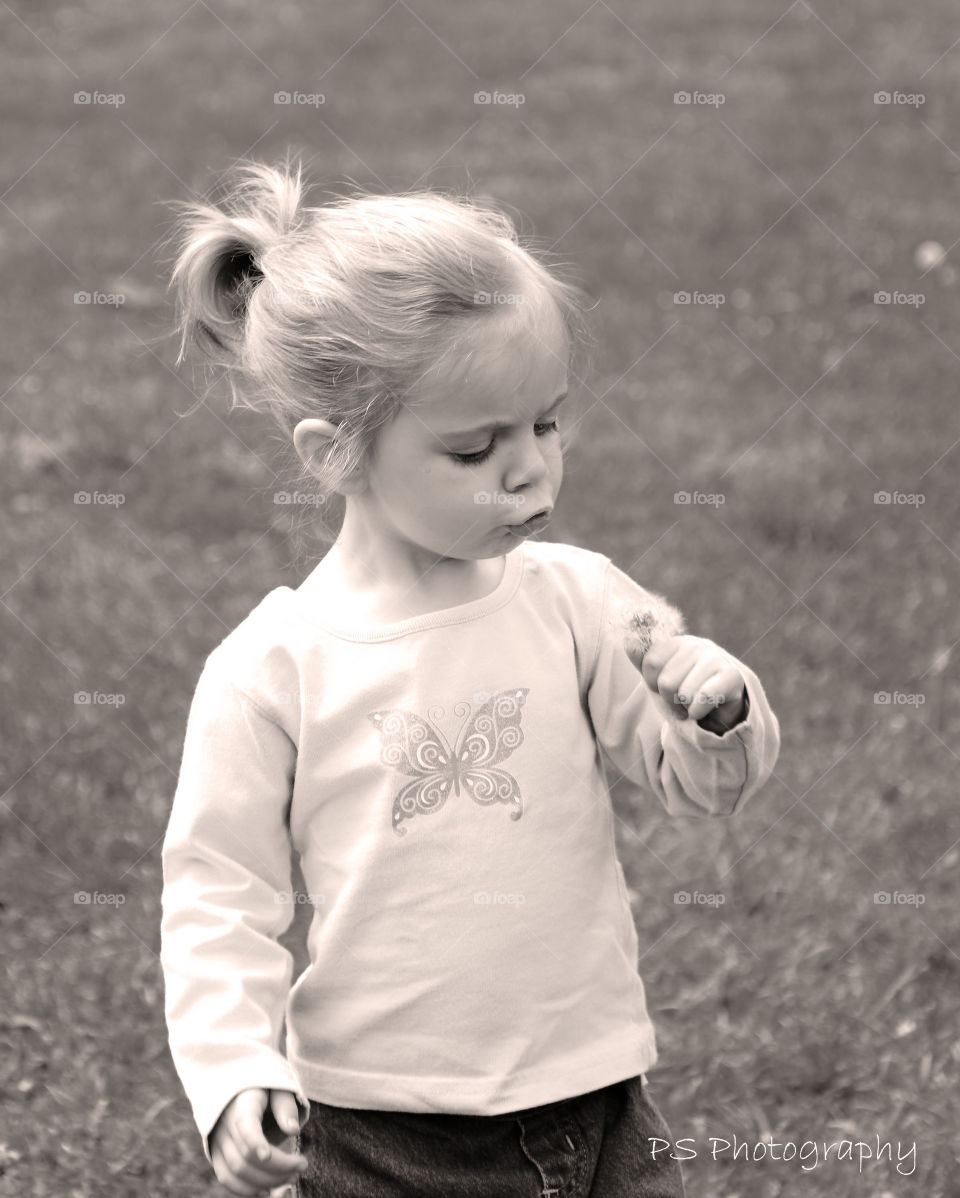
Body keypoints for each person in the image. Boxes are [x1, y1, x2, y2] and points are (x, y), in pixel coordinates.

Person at [159, 155, 781, 1198]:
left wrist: (715, 713)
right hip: (377, 1137)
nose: (531, 467)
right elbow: (219, 895)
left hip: (598, 1103)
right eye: (474, 447)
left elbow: (701, 785)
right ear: (334, 452)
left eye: (545, 423)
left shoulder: (577, 600)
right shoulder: (274, 670)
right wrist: (231, 1067)